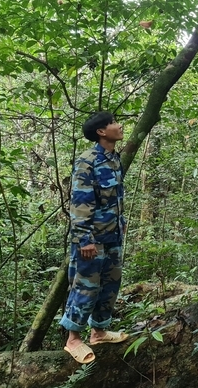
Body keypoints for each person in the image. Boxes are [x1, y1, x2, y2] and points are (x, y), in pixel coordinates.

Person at [60, 111, 129, 364]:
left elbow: (116, 198)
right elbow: (80, 203)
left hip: (112, 236)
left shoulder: (114, 159)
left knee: (110, 284)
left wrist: (120, 226)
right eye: (112, 123)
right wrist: (84, 238)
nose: (118, 126)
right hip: (92, 238)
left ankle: (99, 331)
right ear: (101, 131)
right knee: (86, 287)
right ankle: (73, 339)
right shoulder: (87, 161)